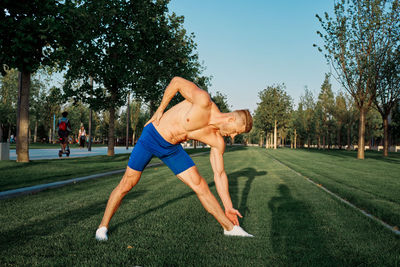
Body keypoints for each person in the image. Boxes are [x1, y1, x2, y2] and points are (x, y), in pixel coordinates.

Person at [96, 77, 254, 241]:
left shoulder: (217, 141)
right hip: (152, 136)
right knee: (127, 184)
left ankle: (229, 228)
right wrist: (160, 110)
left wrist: (228, 206)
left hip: (172, 149)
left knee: (200, 185)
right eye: (236, 131)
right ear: (230, 119)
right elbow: (177, 82)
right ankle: (102, 227)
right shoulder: (203, 101)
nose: (234, 135)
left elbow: (219, 174)